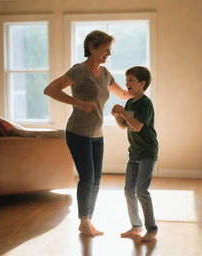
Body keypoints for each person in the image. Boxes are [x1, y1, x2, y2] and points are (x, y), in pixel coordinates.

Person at [43, 30, 131, 237]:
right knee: (87, 177)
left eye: (110, 49)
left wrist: (141, 87)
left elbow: (124, 93)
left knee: (96, 179)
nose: (109, 53)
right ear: (92, 47)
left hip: (97, 134)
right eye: (106, 48)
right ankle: (84, 222)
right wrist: (78, 102)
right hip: (78, 132)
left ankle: (88, 220)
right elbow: (50, 89)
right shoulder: (79, 71)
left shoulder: (106, 74)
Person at [111, 66, 158, 242]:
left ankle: (151, 229)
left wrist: (122, 113)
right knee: (128, 190)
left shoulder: (146, 103)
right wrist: (118, 117)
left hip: (147, 151)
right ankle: (136, 226)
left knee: (141, 191)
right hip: (134, 153)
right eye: (126, 79)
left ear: (142, 83)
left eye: (131, 80)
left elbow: (138, 126)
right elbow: (125, 126)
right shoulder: (130, 103)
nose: (126, 83)